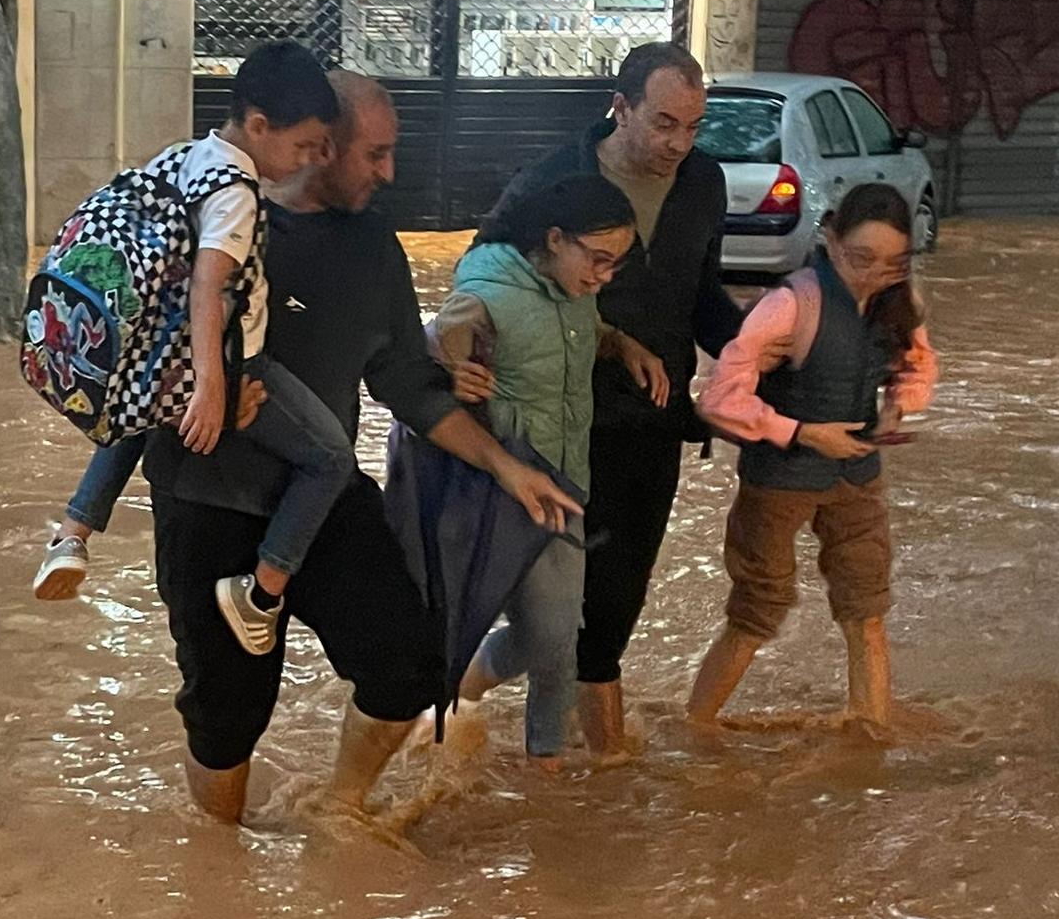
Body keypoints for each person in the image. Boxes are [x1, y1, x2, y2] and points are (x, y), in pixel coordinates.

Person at [142, 71, 583, 822]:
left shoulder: (374, 242)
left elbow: (403, 382)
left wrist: (506, 467)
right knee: (226, 717)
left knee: (406, 669)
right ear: (318, 146)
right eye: (374, 155)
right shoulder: (218, 223)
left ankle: (339, 813)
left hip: (326, 497)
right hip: (212, 502)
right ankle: (220, 877)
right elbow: (127, 357)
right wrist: (194, 385)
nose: (389, 173)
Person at [31, 41, 355, 658]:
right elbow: (210, 283)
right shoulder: (237, 188)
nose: (313, 160)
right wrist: (213, 385)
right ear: (258, 125)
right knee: (330, 460)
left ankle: (71, 533)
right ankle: (261, 593)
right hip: (227, 356)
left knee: (136, 417)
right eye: (304, 145)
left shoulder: (186, 156)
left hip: (159, 343)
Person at [480, 42, 742, 756]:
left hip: (651, 429)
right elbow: (485, 280)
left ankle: (598, 787)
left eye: (693, 127)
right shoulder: (551, 182)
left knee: (616, 609)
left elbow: (701, 296)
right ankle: (464, 701)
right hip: (555, 432)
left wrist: (759, 360)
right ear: (619, 107)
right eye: (663, 124)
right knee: (552, 622)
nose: (677, 145)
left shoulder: (702, 185)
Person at [686, 182, 939, 731]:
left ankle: (872, 738)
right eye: (860, 259)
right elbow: (718, 398)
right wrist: (801, 431)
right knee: (757, 611)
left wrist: (899, 404)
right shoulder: (789, 305)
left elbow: (918, 368)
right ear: (830, 238)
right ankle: (694, 727)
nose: (873, 274)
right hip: (778, 485)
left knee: (866, 610)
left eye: (892, 264)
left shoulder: (901, 305)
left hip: (858, 479)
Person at [433, 175, 638, 764]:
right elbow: (431, 343)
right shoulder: (485, 289)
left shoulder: (575, 290)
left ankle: (534, 757)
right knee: (541, 637)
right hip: (504, 490)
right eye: (597, 259)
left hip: (565, 485)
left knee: (554, 639)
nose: (602, 276)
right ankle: (480, 722)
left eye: (614, 265)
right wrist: (449, 368)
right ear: (554, 239)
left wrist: (623, 344)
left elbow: (573, 335)